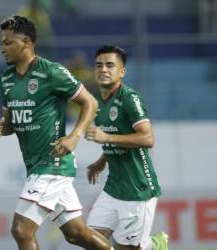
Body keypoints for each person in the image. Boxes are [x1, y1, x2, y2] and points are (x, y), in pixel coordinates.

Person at [0, 15, 113, 250]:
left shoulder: (52, 72)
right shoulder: (6, 78)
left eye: (8, 43)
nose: (2, 48)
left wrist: (74, 136)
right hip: (36, 164)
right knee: (77, 234)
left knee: (21, 230)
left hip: (52, 162)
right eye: (1, 43)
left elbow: (90, 103)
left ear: (26, 42)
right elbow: (10, 123)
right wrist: (0, 128)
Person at [84, 45, 169, 250]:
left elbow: (147, 138)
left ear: (122, 71)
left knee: (127, 248)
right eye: (99, 65)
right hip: (114, 187)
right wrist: (101, 161)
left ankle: (153, 245)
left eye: (110, 65)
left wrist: (106, 137)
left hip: (137, 187)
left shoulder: (130, 98)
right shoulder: (97, 102)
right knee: (91, 241)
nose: (103, 69)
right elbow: (116, 135)